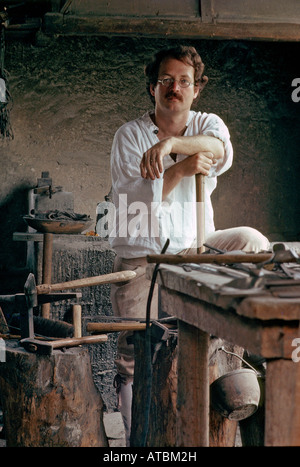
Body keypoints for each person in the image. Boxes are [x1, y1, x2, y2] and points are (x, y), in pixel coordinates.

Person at [108, 45, 269, 446]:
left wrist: (171, 147)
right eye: (166, 81)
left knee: (252, 242)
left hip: (195, 246)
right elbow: (135, 205)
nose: (174, 88)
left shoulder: (206, 122)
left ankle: (240, 341)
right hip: (143, 253)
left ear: (197, 89)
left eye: (184, 81)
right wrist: (180, 168)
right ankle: (136, 442)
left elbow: (218, 150)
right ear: (152, 88)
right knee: (135, 355)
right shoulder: (129, 136)